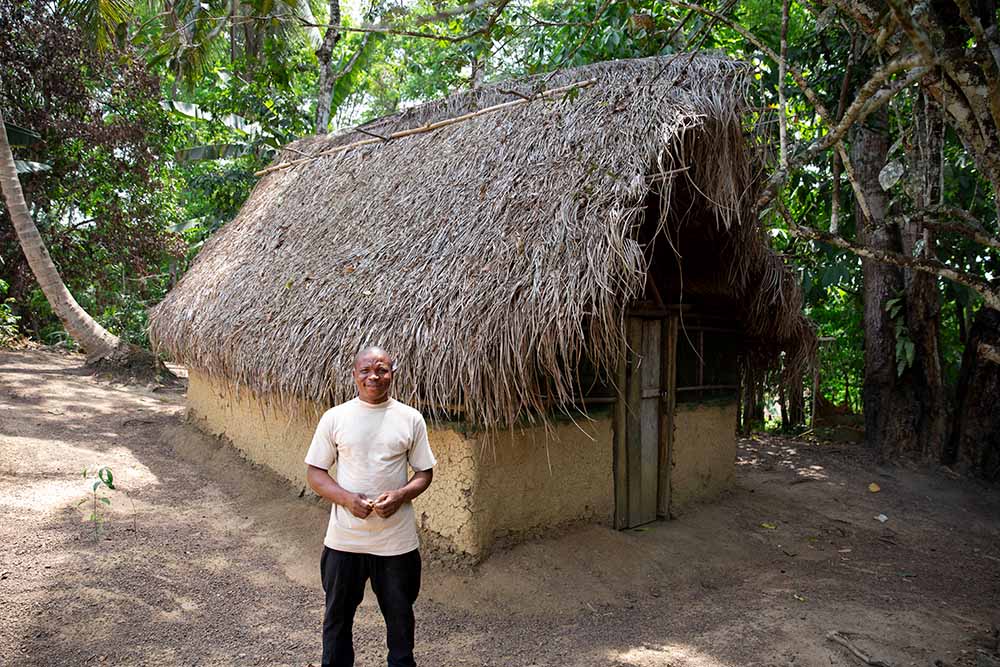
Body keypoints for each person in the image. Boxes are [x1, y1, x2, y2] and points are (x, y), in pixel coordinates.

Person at [305, 346, 436, 667]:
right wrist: (347, 499)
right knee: (337, 619)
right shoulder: (335, 417)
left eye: (382, 370)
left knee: (400, 620)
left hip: (396, 543)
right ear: (354, 375)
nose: (373, 377)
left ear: (392, 374)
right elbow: (315, 473)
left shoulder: (410, 418)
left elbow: (424, 473)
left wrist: (402, 495)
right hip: (344, 540)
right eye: (366, 370)